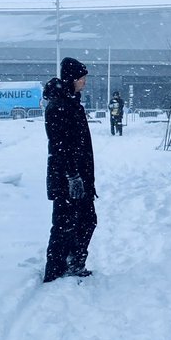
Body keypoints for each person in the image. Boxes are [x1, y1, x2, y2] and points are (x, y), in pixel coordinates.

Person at [43, 57, 98, 282]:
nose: (84, 82)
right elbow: (60, 146)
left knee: (86, 220)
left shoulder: (72, 103)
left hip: (80, 176)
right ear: (71, 79)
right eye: (81, 78)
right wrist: (72, 175)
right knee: (65, 224)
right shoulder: (59, 106)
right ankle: (55, 269)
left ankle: (74, 261)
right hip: (67, 177)